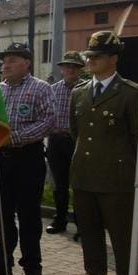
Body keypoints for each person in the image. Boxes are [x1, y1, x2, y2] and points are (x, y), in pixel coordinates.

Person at [66, 32, 138, 275]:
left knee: (121, 235)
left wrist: (125, 168)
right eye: (90, 56)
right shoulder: (79, 92)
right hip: (85, 174)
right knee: (89, 230)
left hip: (116, 178)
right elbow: (77, 133)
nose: (91, 61)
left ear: (113, 59)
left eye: (97, 56)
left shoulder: (131, 93)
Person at [0, 42, 55, 275]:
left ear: (27, 63)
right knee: (0, 212)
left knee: (28, 214)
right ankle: (3, 261)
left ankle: (32, 266)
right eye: (4, 60)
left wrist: (13, 137)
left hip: (27, 158)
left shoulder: (41, 88)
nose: (6, 65)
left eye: (12, 60)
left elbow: (48, 121)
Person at [46, 51, 85, 234]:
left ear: (80, 70)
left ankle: (81, 222)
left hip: (77, 141)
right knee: (59, 184)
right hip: (55, 140)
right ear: (61, 69)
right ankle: (59, 219)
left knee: (79, 183)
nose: (70, 70)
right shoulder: (52, 90)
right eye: (67, 66)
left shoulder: (87, 90)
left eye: (74, 67)